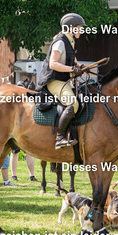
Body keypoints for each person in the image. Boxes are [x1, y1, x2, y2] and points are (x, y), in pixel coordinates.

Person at [36, 13, 86, 149]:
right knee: (73, 103)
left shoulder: (71, 41)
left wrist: (79, 67)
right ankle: (59, 138)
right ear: (71, 27)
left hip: (65, 81)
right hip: (54, 81)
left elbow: (74, 62)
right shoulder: (60, 42)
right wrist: (72, 69)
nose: (81, 30)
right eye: (79, 28)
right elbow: (53, 64)